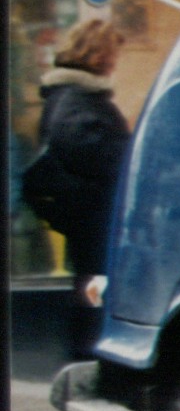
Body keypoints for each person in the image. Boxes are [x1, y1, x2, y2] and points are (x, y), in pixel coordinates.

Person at [21, 17, 132, 342]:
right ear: (100, 56)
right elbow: (94, 153)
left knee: (92, 292)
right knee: (93, 296)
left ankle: (90, 348)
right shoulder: (77, 103)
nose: (115, 65)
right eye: (113, 56)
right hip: (95, 224)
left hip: (91, 224)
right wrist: (132, 154)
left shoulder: (72, 98)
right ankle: (91, 356)